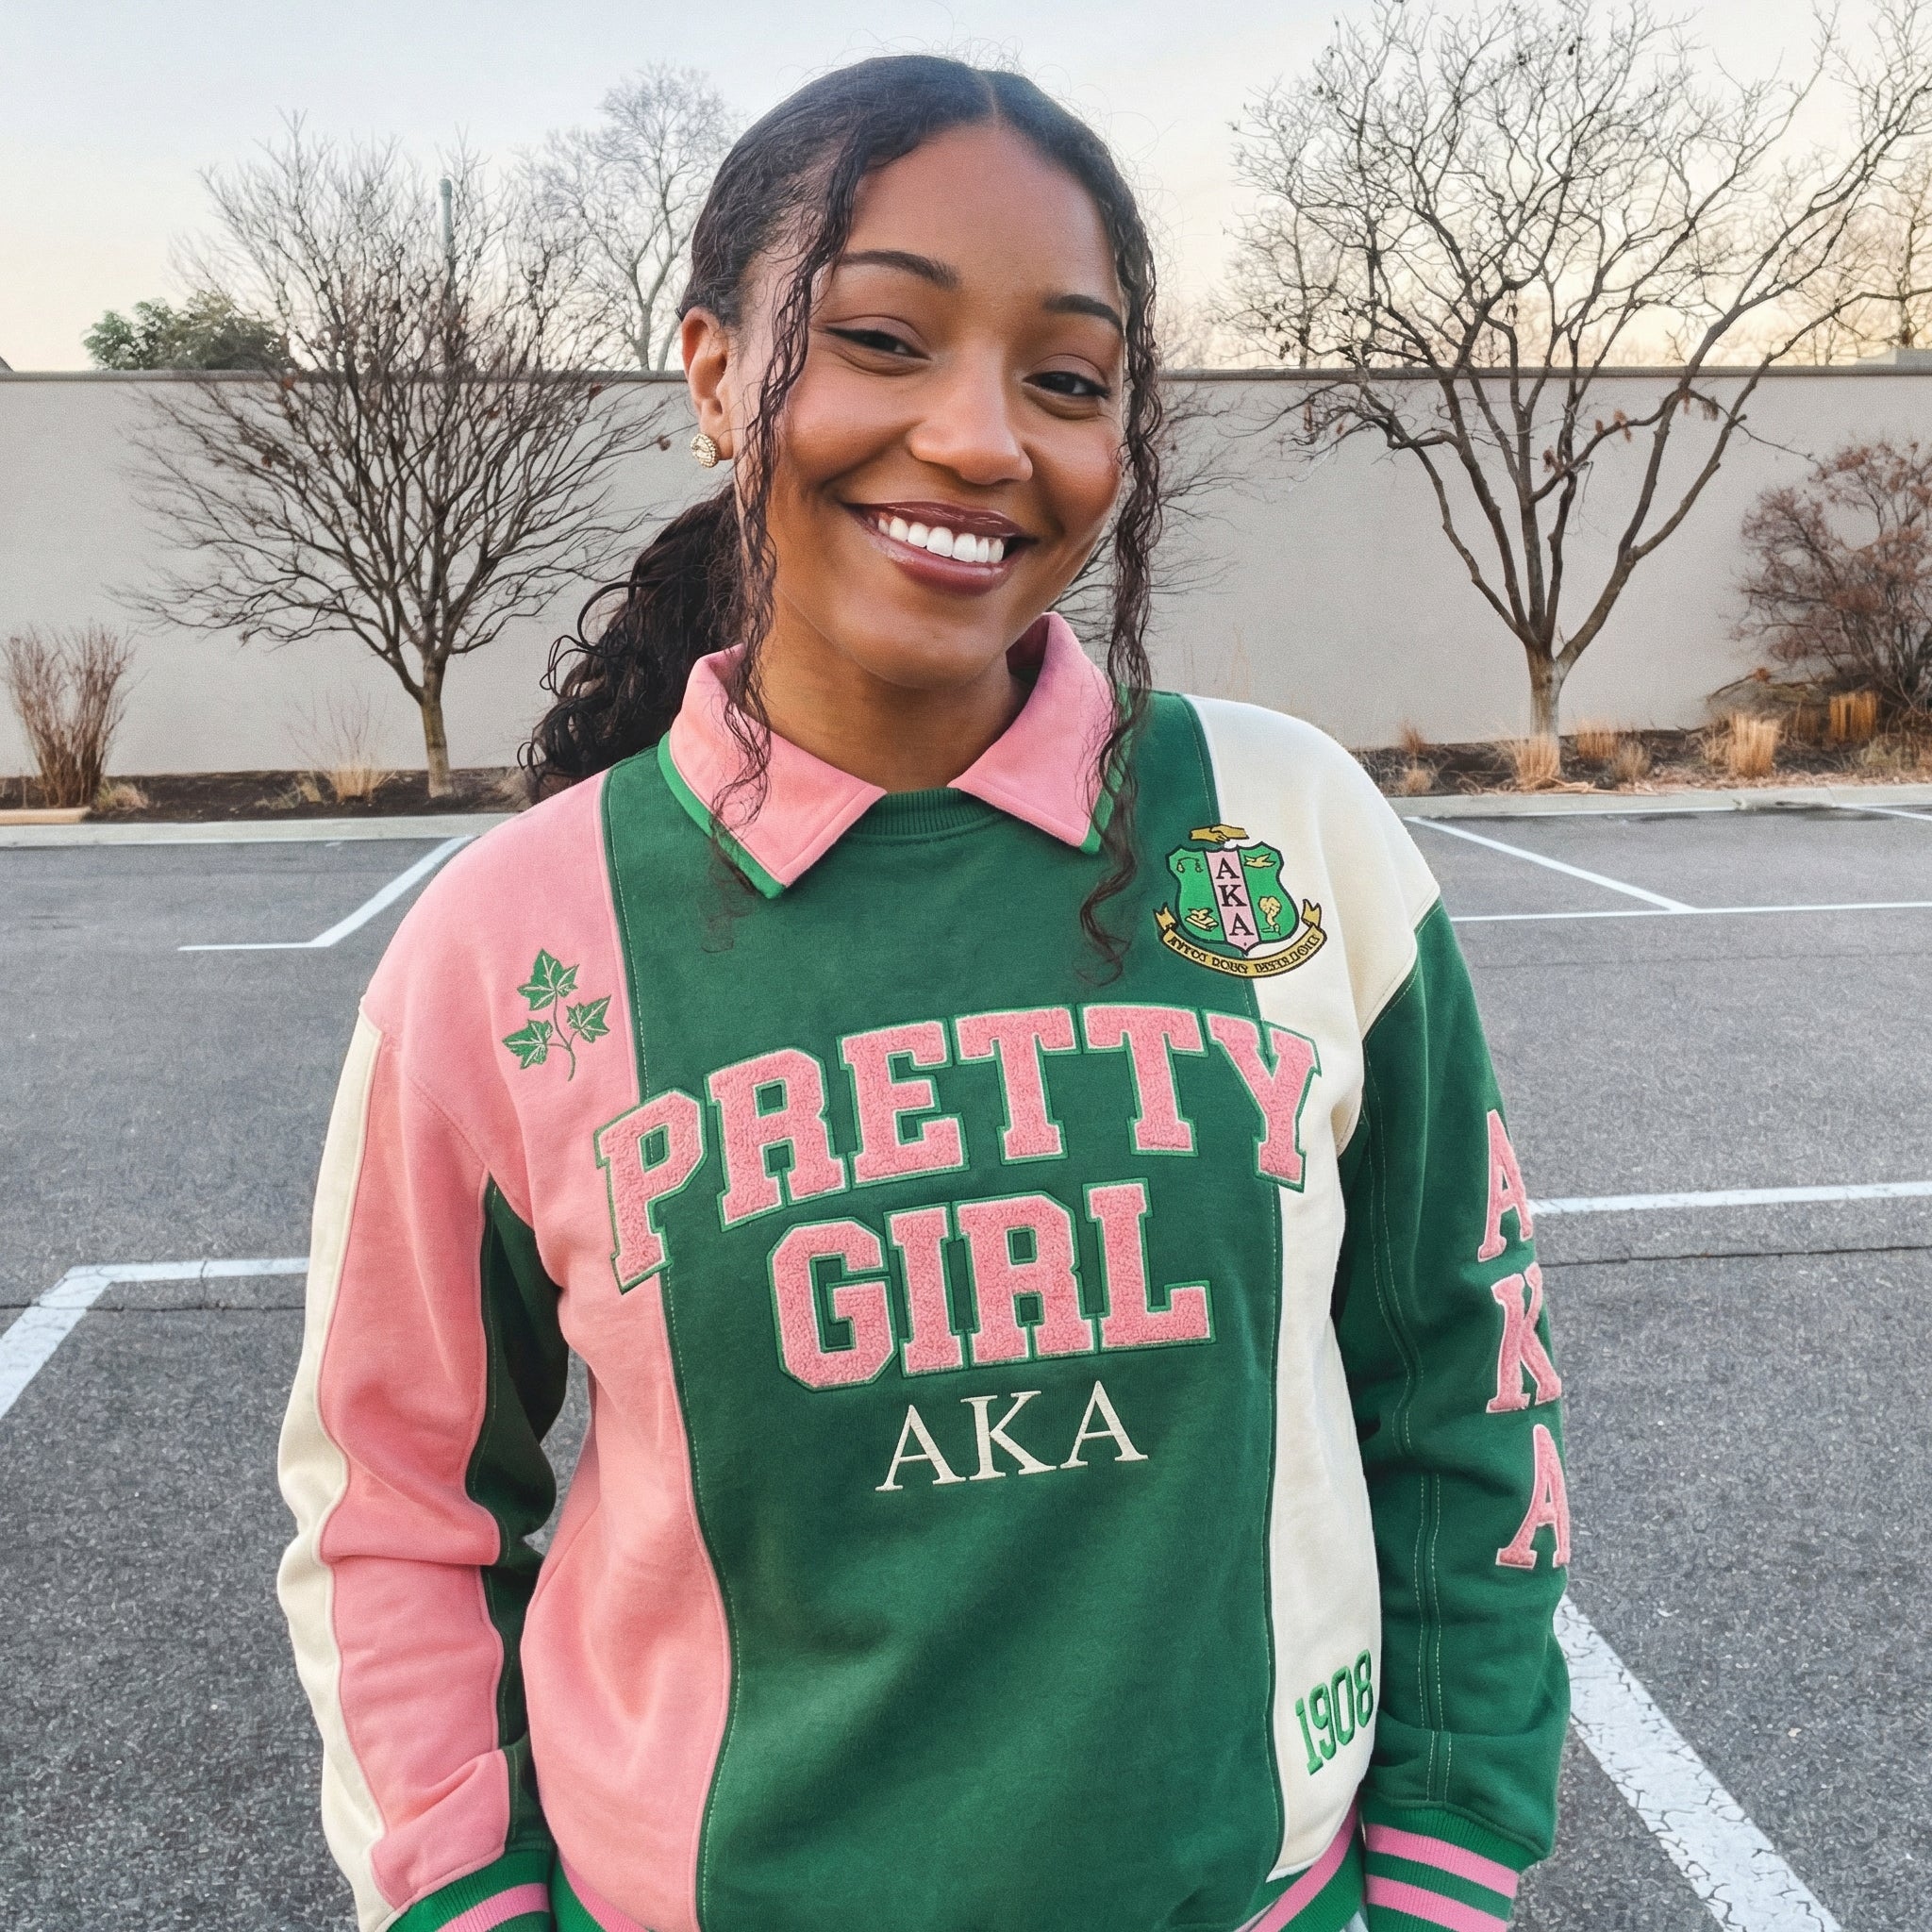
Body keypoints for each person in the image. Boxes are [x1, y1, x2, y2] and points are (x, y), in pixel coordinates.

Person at [276, 53, 1569, 1932]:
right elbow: (388, 1499)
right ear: (718, 369)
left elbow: (1465, 1373)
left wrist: (1447, 1867)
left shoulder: (1287, 832)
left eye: (1067, 377)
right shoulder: (510, 941)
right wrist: (464, 1903)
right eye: (884, 338)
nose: (981, 439)